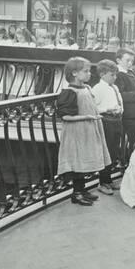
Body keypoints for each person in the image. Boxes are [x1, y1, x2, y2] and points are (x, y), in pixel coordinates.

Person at [57, 57, 111, 206]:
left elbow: (90, 105)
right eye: (85, 71)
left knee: (84, 159)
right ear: (74, 73)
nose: (89, 74)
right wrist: (86, 117)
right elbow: (65, 116)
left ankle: (83, 189)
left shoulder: (86, 88)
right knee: (77, 160)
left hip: (88, 129)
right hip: (76, 132)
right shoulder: (69, 91)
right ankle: (77, 193)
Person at [92, 60, 124, 195]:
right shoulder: (97, 89)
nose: (115, 77)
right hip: (106, 122)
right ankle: (103, 181)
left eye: (115, 74)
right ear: (103, 74)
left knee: (114, 151)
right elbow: (93, 108)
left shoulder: (114, 87)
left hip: (117, 121)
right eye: (112, 75)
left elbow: (119, 102)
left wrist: (120, 110)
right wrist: (107, 109)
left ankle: (109, 179)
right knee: (107, 151)